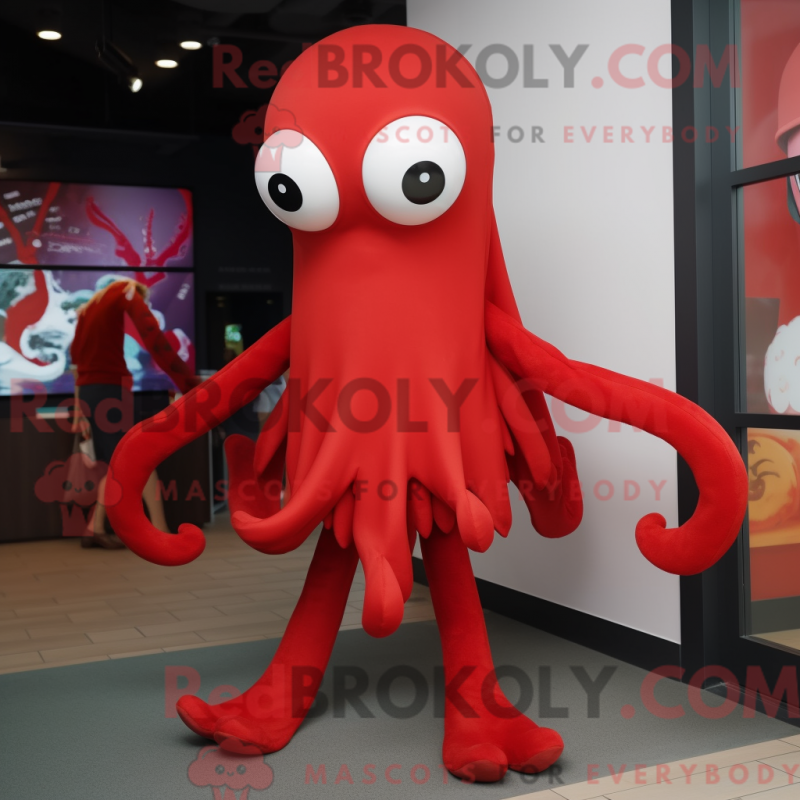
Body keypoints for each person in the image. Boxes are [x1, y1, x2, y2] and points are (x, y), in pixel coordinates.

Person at [70, 278, 199, 549]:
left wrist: (79, 408)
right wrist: (188, 382)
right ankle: (160, 530)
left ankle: (94, 528)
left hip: (90, 392)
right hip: (110, 391)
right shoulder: (126, 292)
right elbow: (153, 337)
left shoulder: (87, 310)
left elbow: (77, 362)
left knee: (114, 462)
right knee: (138, 458)